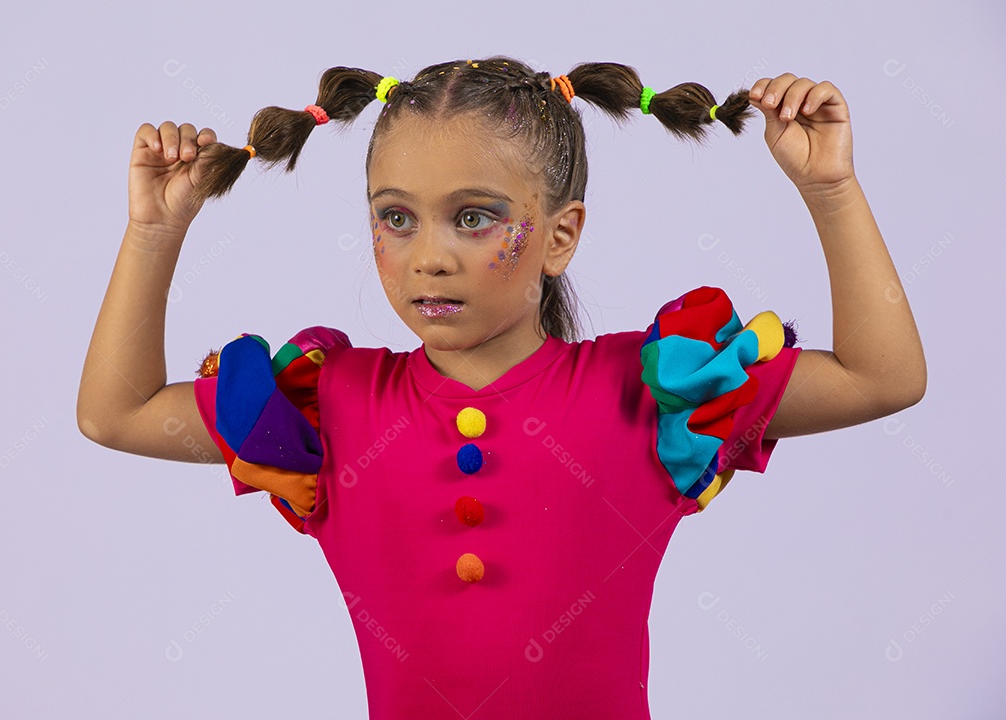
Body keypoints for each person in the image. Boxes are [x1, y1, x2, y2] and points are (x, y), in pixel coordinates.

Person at [77, 57, 925, 719]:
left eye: (473, 217)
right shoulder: (327, 404)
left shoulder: (650, 389)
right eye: (396, 217)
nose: (429, 257)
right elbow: (115, 414)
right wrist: (153, 230)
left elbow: (881, 379)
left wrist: (832, 188)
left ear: (562, 236)